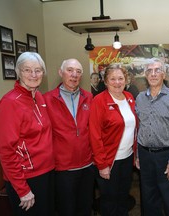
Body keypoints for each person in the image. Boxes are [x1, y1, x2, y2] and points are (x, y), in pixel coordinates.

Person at [0, 52, 55, 215]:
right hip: (26, 178)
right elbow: (6, 151)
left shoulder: (39, 97)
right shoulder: (10, 103)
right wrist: (22, 190)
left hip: (46, 173)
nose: (33, 75)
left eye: (38, 70)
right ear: (18, 71)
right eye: (27, 70)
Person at [135, 58, 169, 216]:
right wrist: (138, 154)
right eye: (149, 71)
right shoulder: (140, 98)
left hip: (167, 156)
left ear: (164, 74)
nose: (153, 74)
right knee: (148, 199)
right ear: (145, 75)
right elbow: (140, 128)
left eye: (157, 70)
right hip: (145, 155)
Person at [43, 59, 95, 216]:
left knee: (85, 208)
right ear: (60, 72)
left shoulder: (89, 97)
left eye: (78, 71)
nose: (74, 75)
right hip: (63, 168)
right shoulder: (46, 99)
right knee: (66, 209)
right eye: (70, 70)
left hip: (87, 165)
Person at [89, 63, 138, 216]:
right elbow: (94, 135)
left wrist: (136, 155)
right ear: (105, 81)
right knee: (109, 202)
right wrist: (102, 164)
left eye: (120, 78)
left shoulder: (129, 98)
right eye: (113, 79)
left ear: (126, 79)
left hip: (127, 158)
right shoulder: (99, 101)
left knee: (123, 198)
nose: (117, 82)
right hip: (109, 161)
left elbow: (135, 129)